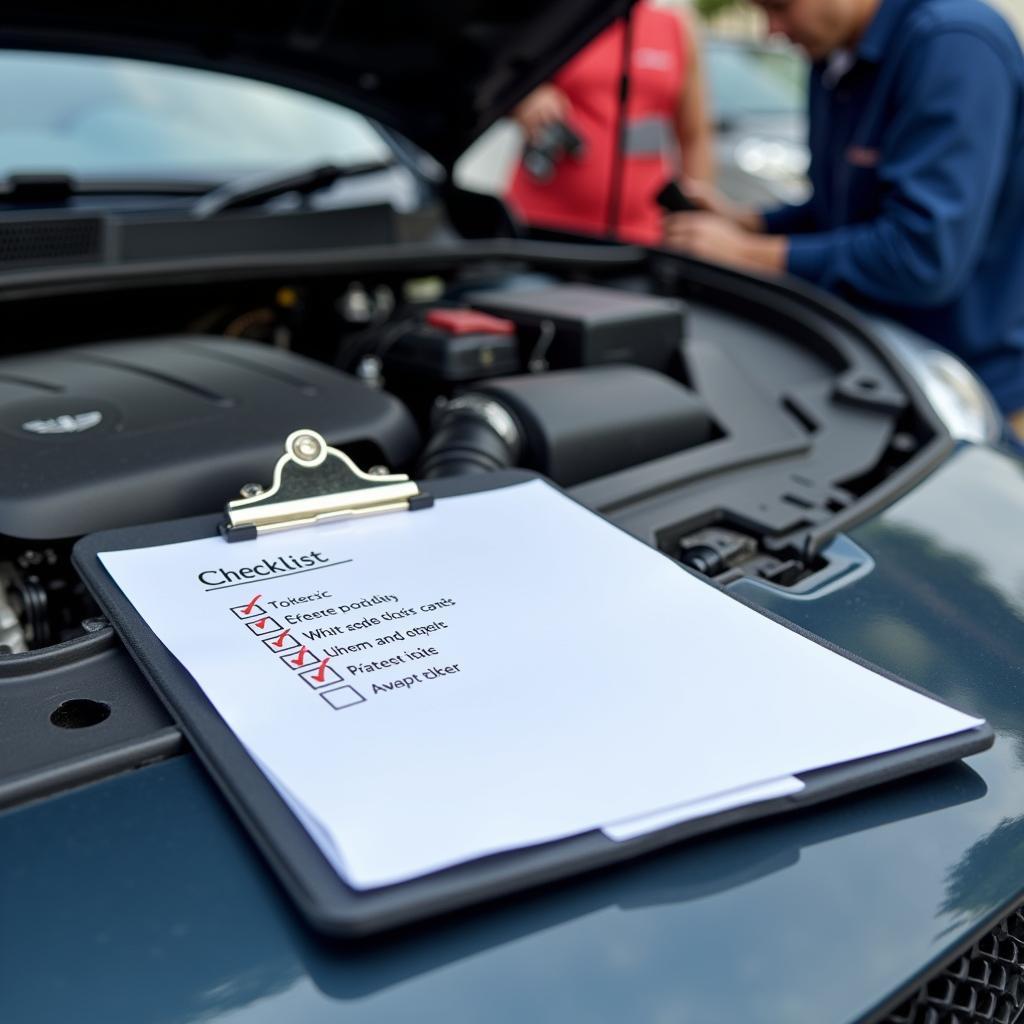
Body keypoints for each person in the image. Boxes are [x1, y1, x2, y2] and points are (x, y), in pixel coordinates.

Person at [663, 0, 1024, 434]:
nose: (771, 30)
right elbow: (837, 213)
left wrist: (748, 254)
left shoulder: (954, 43)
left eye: (779, 7)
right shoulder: (833, 60)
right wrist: (748, 222)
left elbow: (923, 256)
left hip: (970, 393)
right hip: (883, 362)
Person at [506, 0, 714, 247]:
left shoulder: (674, 25)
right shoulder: (554, 19)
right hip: (542, 225)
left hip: (642, 233)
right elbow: (490, 92)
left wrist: (695, 220)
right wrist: (524, 98)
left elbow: (694, 136)